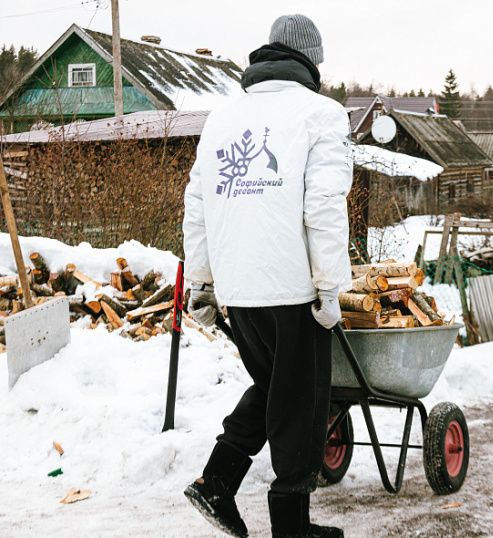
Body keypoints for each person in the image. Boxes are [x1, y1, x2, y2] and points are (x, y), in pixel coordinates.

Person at [181, 14, 352, 538]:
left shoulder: (222, 119)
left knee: (274, 387)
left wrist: (204, 283)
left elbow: (197, 205)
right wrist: (329, 285)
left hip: (240, 288)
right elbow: (323, 205)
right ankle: (290, 527)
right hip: (293, 288)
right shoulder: (321, 114)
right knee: (302, 403)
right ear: (310, 61)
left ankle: (217, 482)